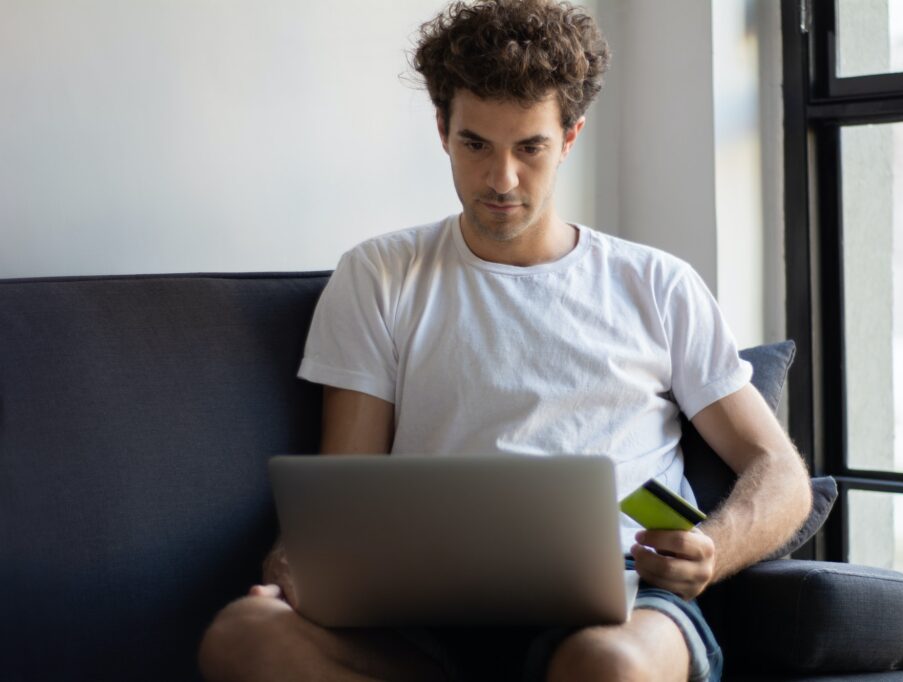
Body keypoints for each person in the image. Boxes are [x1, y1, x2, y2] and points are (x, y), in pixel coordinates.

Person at [198, 1, 811, 680]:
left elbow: (779, 473)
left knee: (606, 667)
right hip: (423, 621)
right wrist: (298, 560)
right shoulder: (380, 274)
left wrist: (713, 551)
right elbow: (344, 491)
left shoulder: (656, 284)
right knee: (243, 635)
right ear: (442, 130)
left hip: (624, 609)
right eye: (475, 145)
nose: (502, 180)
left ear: (570, 137)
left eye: (530, 147)